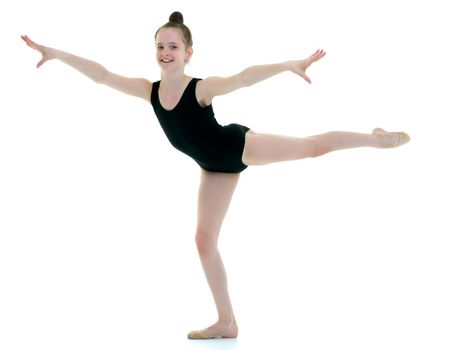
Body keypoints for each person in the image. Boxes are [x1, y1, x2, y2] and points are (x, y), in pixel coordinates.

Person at [21, 11, 410, 340]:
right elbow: (102, 75)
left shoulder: (200, 88)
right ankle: (227, 322)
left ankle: (375, 140)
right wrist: (55, 54)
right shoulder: (150, 92)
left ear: (188, 53)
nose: (165, 52)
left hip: (237, 147)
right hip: (212, 167)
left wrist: (286, 65)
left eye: (173, 46)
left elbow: (242, 78)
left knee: (309, 148)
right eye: (160, 46)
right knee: (204, 240)